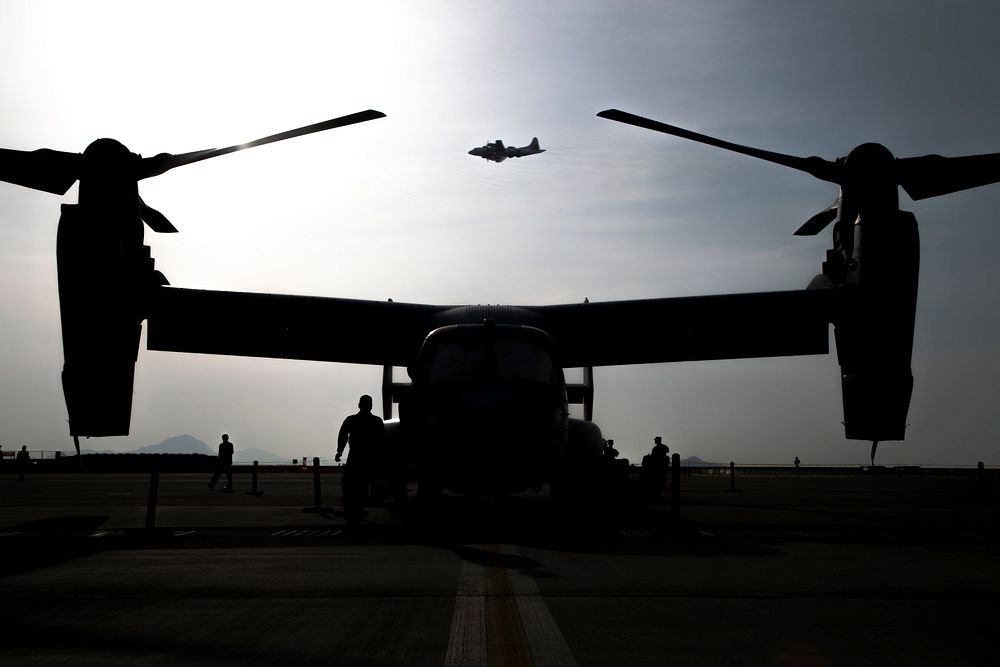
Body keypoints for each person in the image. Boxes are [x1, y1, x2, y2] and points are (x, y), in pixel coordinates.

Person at [336, 395, 386, 523]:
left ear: (359, 405)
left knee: (349, 483)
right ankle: (358, 508)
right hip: (370, 458)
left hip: (355, 457)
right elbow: (383, 441)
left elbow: (343, 436)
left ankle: (351, 507)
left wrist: (339, 451)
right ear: (371, 406)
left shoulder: (351, 420)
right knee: (364, 485)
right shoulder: (377, 421)